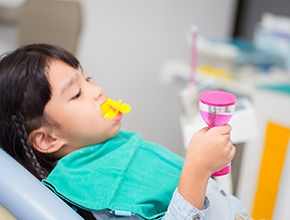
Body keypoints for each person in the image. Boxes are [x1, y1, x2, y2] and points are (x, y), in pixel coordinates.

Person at [0, 44, 248, 220]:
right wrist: (197, 170)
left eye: (88, 79)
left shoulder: (113, 147)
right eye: (76, 93)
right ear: (47, 138)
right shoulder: (94, 192)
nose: (96, 90)